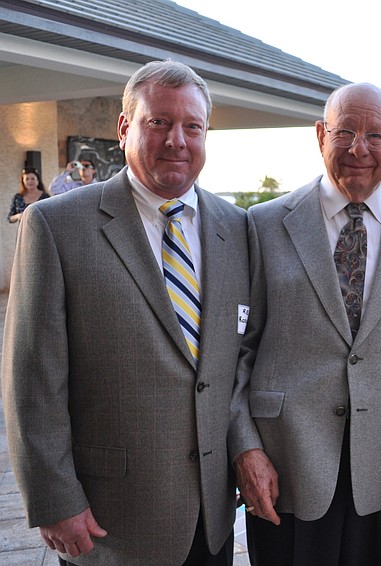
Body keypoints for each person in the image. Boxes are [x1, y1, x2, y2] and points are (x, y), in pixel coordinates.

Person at [2, 60, 255, 565]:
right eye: (158, 121)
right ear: (124, 127)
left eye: (192, 126)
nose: (177, 140)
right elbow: (32, 378)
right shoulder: (56, 225)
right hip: (107, 523)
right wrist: (55, 499)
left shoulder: (237, 227)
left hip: (212, 518)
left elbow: (241, 353)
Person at [230, 82, 381, 566]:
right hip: (285, 462)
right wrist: (245, 448)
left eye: (375, 135)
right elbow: (237, 352)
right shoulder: (264, 225)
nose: (358, 149)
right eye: (344, 132)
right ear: (319, 135)